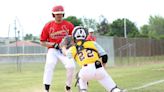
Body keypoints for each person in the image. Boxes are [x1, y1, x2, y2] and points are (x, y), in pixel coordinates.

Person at [64, 26, 123, 92]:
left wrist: (63, 46)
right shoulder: (92, 43)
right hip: (99, 67)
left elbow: (66, 54)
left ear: (73, 36)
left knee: (80, 77)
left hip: (85, 70)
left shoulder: (72, 48)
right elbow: (104, 56)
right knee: (113, 89)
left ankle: (83, 90)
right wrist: (103, 66)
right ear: (85, 35)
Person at [40, 5, 75, 92]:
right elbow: (42, 42)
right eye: (57, 14)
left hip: (66, 49)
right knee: (50, 64)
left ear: (63, 14)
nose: (59, 15)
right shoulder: (48, 25)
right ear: (53, 15)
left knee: (71, 66)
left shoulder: (69, 25)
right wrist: (53, 44)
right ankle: (46, 89)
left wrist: (67, 45)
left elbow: (75, 39)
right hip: (53, 50)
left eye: (60, 14)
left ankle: (68, 87)